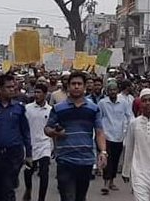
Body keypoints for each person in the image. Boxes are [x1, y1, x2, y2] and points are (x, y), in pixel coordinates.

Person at [45, 71, 107, 201]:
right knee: (68, 197)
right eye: (73, 84)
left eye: (79, 84)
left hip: (86, 160)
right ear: (68, 87)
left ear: (84, 87)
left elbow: (99, 132)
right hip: (65, 160)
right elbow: (47, 129)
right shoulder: (58, 108)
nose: (76, 86)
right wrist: (55, 132)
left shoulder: (93, 108)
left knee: (80, 197)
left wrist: (103, 152)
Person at [98, 81, 132, 195]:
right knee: (107, 159)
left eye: (114, 89)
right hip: (106, 135)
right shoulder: (102, 103)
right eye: (110, 90)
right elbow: (99, 118)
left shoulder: (123, 103)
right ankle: (106, 183)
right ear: (107, 91)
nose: (113, 92)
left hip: (119, 135)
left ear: (117, 90)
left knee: (115, 159)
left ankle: (111, 181)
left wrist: (127, 130)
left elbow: (129, 116)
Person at [24, 83, 53, 201]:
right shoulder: (27, 108)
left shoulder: (50, 110)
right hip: (30, 144)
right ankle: (28, 189)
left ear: (45, 94)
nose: (36, 94)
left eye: (39, 92)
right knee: (28, 171)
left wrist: (55, 146)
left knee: (44, 172)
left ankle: (41, 198)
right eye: (35, 92)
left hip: (45, 144)